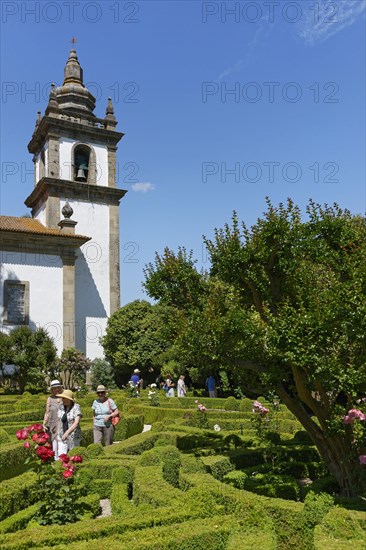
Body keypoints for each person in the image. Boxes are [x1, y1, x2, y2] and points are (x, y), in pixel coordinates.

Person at [55, 389, 83, 460]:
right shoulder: (60, 407)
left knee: (74, 457)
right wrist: (57, 434)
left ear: (69, 399)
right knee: (61, 457)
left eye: (64, 398)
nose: (62, 399)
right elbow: (59, 421)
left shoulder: (76, 407)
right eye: (62, 398)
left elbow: (76, 422)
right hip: (62, 435)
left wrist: (67, 432)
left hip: (74, 437)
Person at [43, 379, 63, 456]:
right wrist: (44, 423)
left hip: (62, 422)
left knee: (62, 442)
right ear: (52, 390)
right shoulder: (49, 399)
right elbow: (47, 412)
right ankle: (55, 458)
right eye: (55, 388)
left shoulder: (64, 397)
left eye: (58, 387)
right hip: (53, 423)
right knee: (54, 442)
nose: (57, 389)